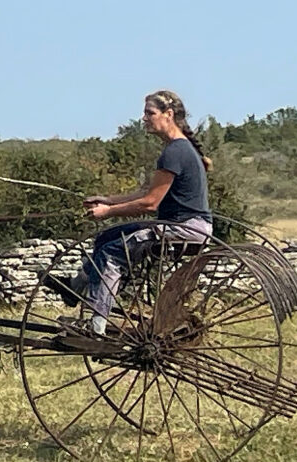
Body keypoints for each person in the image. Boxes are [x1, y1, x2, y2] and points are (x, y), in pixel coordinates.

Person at [46, 89, 213, 336]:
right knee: (105, 238)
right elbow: (148, 191)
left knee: (112, 252)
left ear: (168, 115)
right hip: (184, 226)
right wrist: (108, 200)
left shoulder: (175, 151)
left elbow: (150, 204)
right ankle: (75, 287)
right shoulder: (179, 149)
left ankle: (97, 327)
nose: (144, 118)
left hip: (184, 229)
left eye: (149, 113)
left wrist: (108, 212)